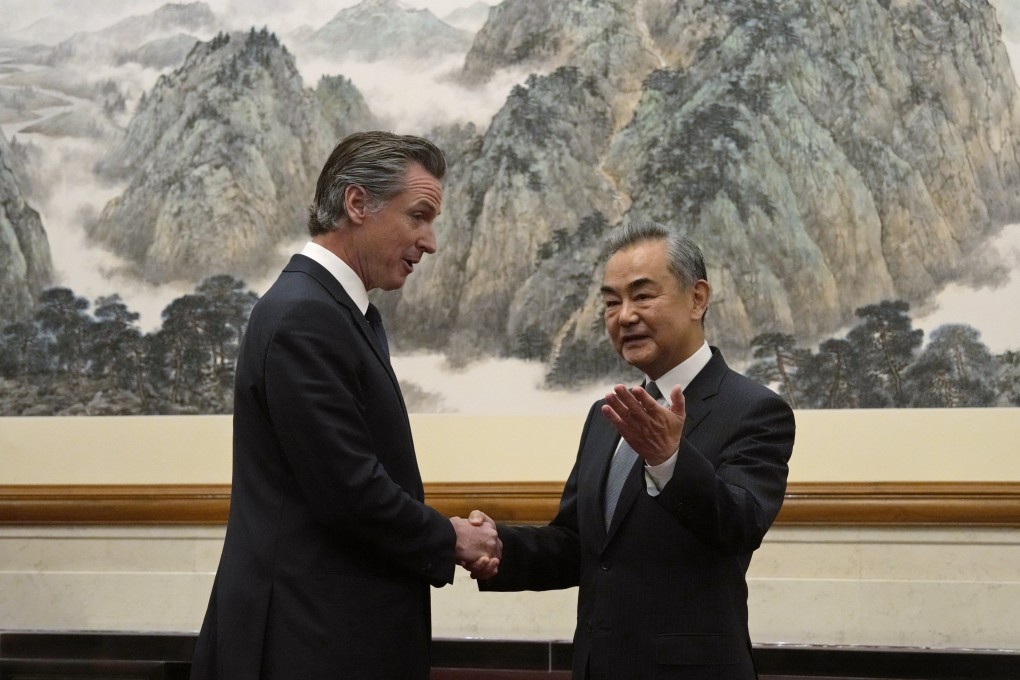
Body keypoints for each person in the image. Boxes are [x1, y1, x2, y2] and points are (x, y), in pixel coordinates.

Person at [190, 131, 501, 680]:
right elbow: (349, 489)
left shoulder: (333, 311)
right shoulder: (305, 316)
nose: (430, 242)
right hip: (306, 642)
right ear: (357, 204)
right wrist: (451, 537)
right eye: (418, 216)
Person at [470, 222, 795, 679]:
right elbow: (578, 546)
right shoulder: (607, 416)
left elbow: (742, 525)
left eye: (642, 297)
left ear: (698, 298)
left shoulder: (754, 409)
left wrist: (670, 461)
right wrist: (496, 546)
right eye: (610, 302)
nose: (624, 316)